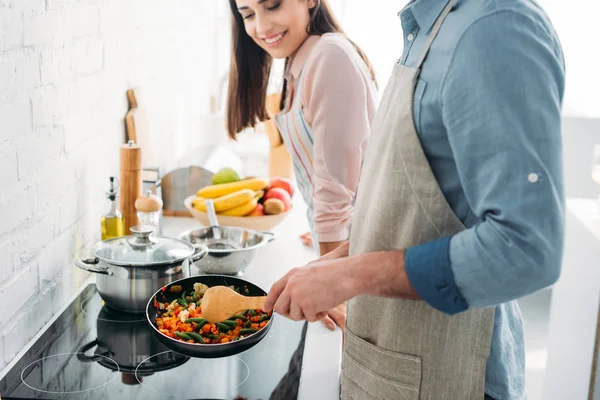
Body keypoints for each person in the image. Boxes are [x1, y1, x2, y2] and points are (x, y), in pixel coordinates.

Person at [264, 0, 566, 399]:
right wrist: (336, 265)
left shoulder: (493, 29)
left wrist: (350, 276)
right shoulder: (430, 29)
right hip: (396, 362)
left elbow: (527, 250)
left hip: (452, 371)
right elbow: (423, 212)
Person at [226, 0, 378, 331]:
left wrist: (331, 285)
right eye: (248, 14)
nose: (262, 27)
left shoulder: (329, 56)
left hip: (359, 271)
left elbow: (335, 193)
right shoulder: (299, 60)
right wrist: (324, 235)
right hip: (346, 253)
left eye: (273, 5)